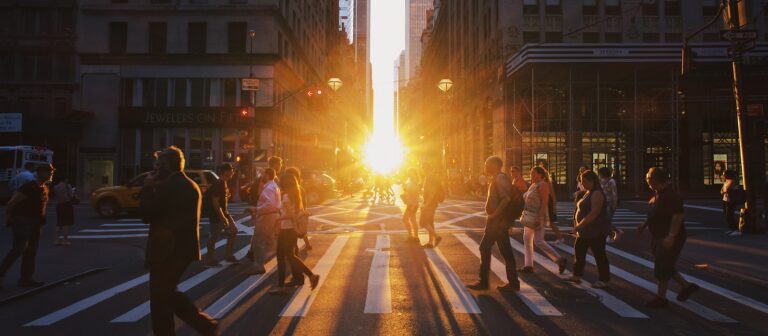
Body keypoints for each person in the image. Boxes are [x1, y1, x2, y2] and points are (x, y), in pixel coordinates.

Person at [138, 147, 218, 335]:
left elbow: (146, 214)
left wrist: (147, 188)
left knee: (160, 298)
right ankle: (204, 325)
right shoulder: (190, 184)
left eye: (158, 165)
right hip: (183, 248)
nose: (154, 170)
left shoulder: (168, 187)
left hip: (166, 250)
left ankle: (203, 325)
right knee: (167, 293)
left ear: (166, 166)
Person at [638, 167, 700, 308]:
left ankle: (661, 298)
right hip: (659, 235)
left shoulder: (670, 196)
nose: (647, 180)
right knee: (665, 264)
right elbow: (654, 214)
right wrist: (644, 224)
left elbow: (677, 216)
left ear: (655, 180)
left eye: (648, 178)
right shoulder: (658, 193)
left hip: (669, 236)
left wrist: (671, 236)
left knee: (662, 266)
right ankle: (686, 286)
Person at [467, 156, 521, 292]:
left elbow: (506, 199)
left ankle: (484, 282)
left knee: (484, 247)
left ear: (495, 165)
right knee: (505, 251)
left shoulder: (500, 178)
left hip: (497, 222)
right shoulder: (498, 178)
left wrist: (494, 215)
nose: (485, 166)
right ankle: (513, 282)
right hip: (499, 221)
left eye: (487, 164)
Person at [0, 164, 55, 291]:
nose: (50, 174)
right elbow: (12, 202)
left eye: (51, 172)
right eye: (48, 172)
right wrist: (8, 218)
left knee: (31, 251)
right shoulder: (29, 186)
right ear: (40, 173)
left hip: (36, 222)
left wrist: (41, 219)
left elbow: (42, 205)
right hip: (23, 221)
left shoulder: (43, 187)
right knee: (18, 249)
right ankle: (1, 274)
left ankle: (26, 279)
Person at [270, 175, 319, 294]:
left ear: (285, 184)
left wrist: (278, 219)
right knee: (290, 256)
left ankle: (281, 286)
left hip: (286, 231)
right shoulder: (296, 196)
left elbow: (291, 215)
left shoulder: (286, 197)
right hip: (291, 231)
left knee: (282, 257)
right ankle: (311, 276)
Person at [566, 170, 611, 288]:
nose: (582, 183)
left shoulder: (597, 193)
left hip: (595, 230)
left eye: (584, 181)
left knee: (599, 255)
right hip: (585, 231)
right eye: (581, 181)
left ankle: (604, 280)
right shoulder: (588, 192)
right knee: (579, 251)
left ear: (592, 181)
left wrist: (579, 225)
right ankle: (577, 275)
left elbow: (594, 212)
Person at [519, 166, 567, 274]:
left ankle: (560, 260)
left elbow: (545, 202)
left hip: (537, 216)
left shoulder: (543, 185)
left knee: (539, 241)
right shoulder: (533, 185)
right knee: (527, 240)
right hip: (529, 215)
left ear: (540, 175)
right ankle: (528, 265)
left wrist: (539, 217)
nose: (531, 175)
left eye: (534, 173)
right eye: (531, 173)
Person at [204, 163, 238, 267]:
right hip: (216, 214)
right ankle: (210, 260)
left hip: (224, 213)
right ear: (225, 172)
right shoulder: (218, 184)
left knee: (233, 231)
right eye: (231, 170)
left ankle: (228, 255)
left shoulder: (224, 183)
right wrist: (222, 217)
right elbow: (215, 202)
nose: (233, 172)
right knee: (213, 237)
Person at [248, 168, 280, 275]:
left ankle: (259, 266)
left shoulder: (269, 188)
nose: (261, 176)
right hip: (272, 215)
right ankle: (283, 257)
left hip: (266, 216)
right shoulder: (274, 186)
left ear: (267, 175)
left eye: (263, 174)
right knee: (270, 239)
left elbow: (269, 204)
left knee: (259, 241)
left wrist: (256, 209)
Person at [284, 167, 312, 250]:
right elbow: (304, 203)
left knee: (294, 230)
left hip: (293, 214)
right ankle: (306, 244)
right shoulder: (300, 189)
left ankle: (296, 247)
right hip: (299, 213)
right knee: (300, 230)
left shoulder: (287, 190)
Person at [419, 163, 444, 248]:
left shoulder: (431, 177)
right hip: (431, 203)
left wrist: (426, 204)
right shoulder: (428, 177)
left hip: (430, 204)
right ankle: (430, 243)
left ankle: (436, 237)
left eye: (422, 169)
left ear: (425, 169)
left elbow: (432, 192)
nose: (421, 171)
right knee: (430, 223)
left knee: (423, 222)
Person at [599, 167, 623, 243]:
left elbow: (615, 193)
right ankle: (617, 231)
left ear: (603, 173)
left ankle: (610, 235)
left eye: (600, 173)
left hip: (610, 203)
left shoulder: (611, 181)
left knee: (607, 220)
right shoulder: (601, 181)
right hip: (603, 203)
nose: (599, 175)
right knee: (604, 220)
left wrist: (614, 204)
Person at [53, 175, 76, 246]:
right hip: (66, 204)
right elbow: (71, 195)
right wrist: (73, 191)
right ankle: (65, 240)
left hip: (59, 205)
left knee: (59, 222)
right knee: (66, 223)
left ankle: (56, 239)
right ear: (65, 179)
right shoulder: (67, 186)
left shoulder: (55, 186)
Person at [720, 169, 743, 236]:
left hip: (731, 200)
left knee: (729, 215)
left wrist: (724, 190)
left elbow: (728, 189)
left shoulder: (734, 181)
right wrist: (724, 190)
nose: (723, 176)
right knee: (726, 215)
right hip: (725, 199)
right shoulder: (727, 181)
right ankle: (731, 228)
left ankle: (736, 229)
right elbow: (722, 190)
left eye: (724, 175)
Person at [401, 168, 421, 243]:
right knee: (413, 221)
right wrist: (404, 184)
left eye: (411, 173)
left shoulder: (415, 182)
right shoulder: (409, 181)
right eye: (409, 172)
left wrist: (414, 204)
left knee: (405, 219)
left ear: (414, 174)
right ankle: (415, 237)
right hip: (410, 203)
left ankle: (411, 236)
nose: (409, 174)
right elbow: (406, 190)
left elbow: (416, 194)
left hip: (412, 204)